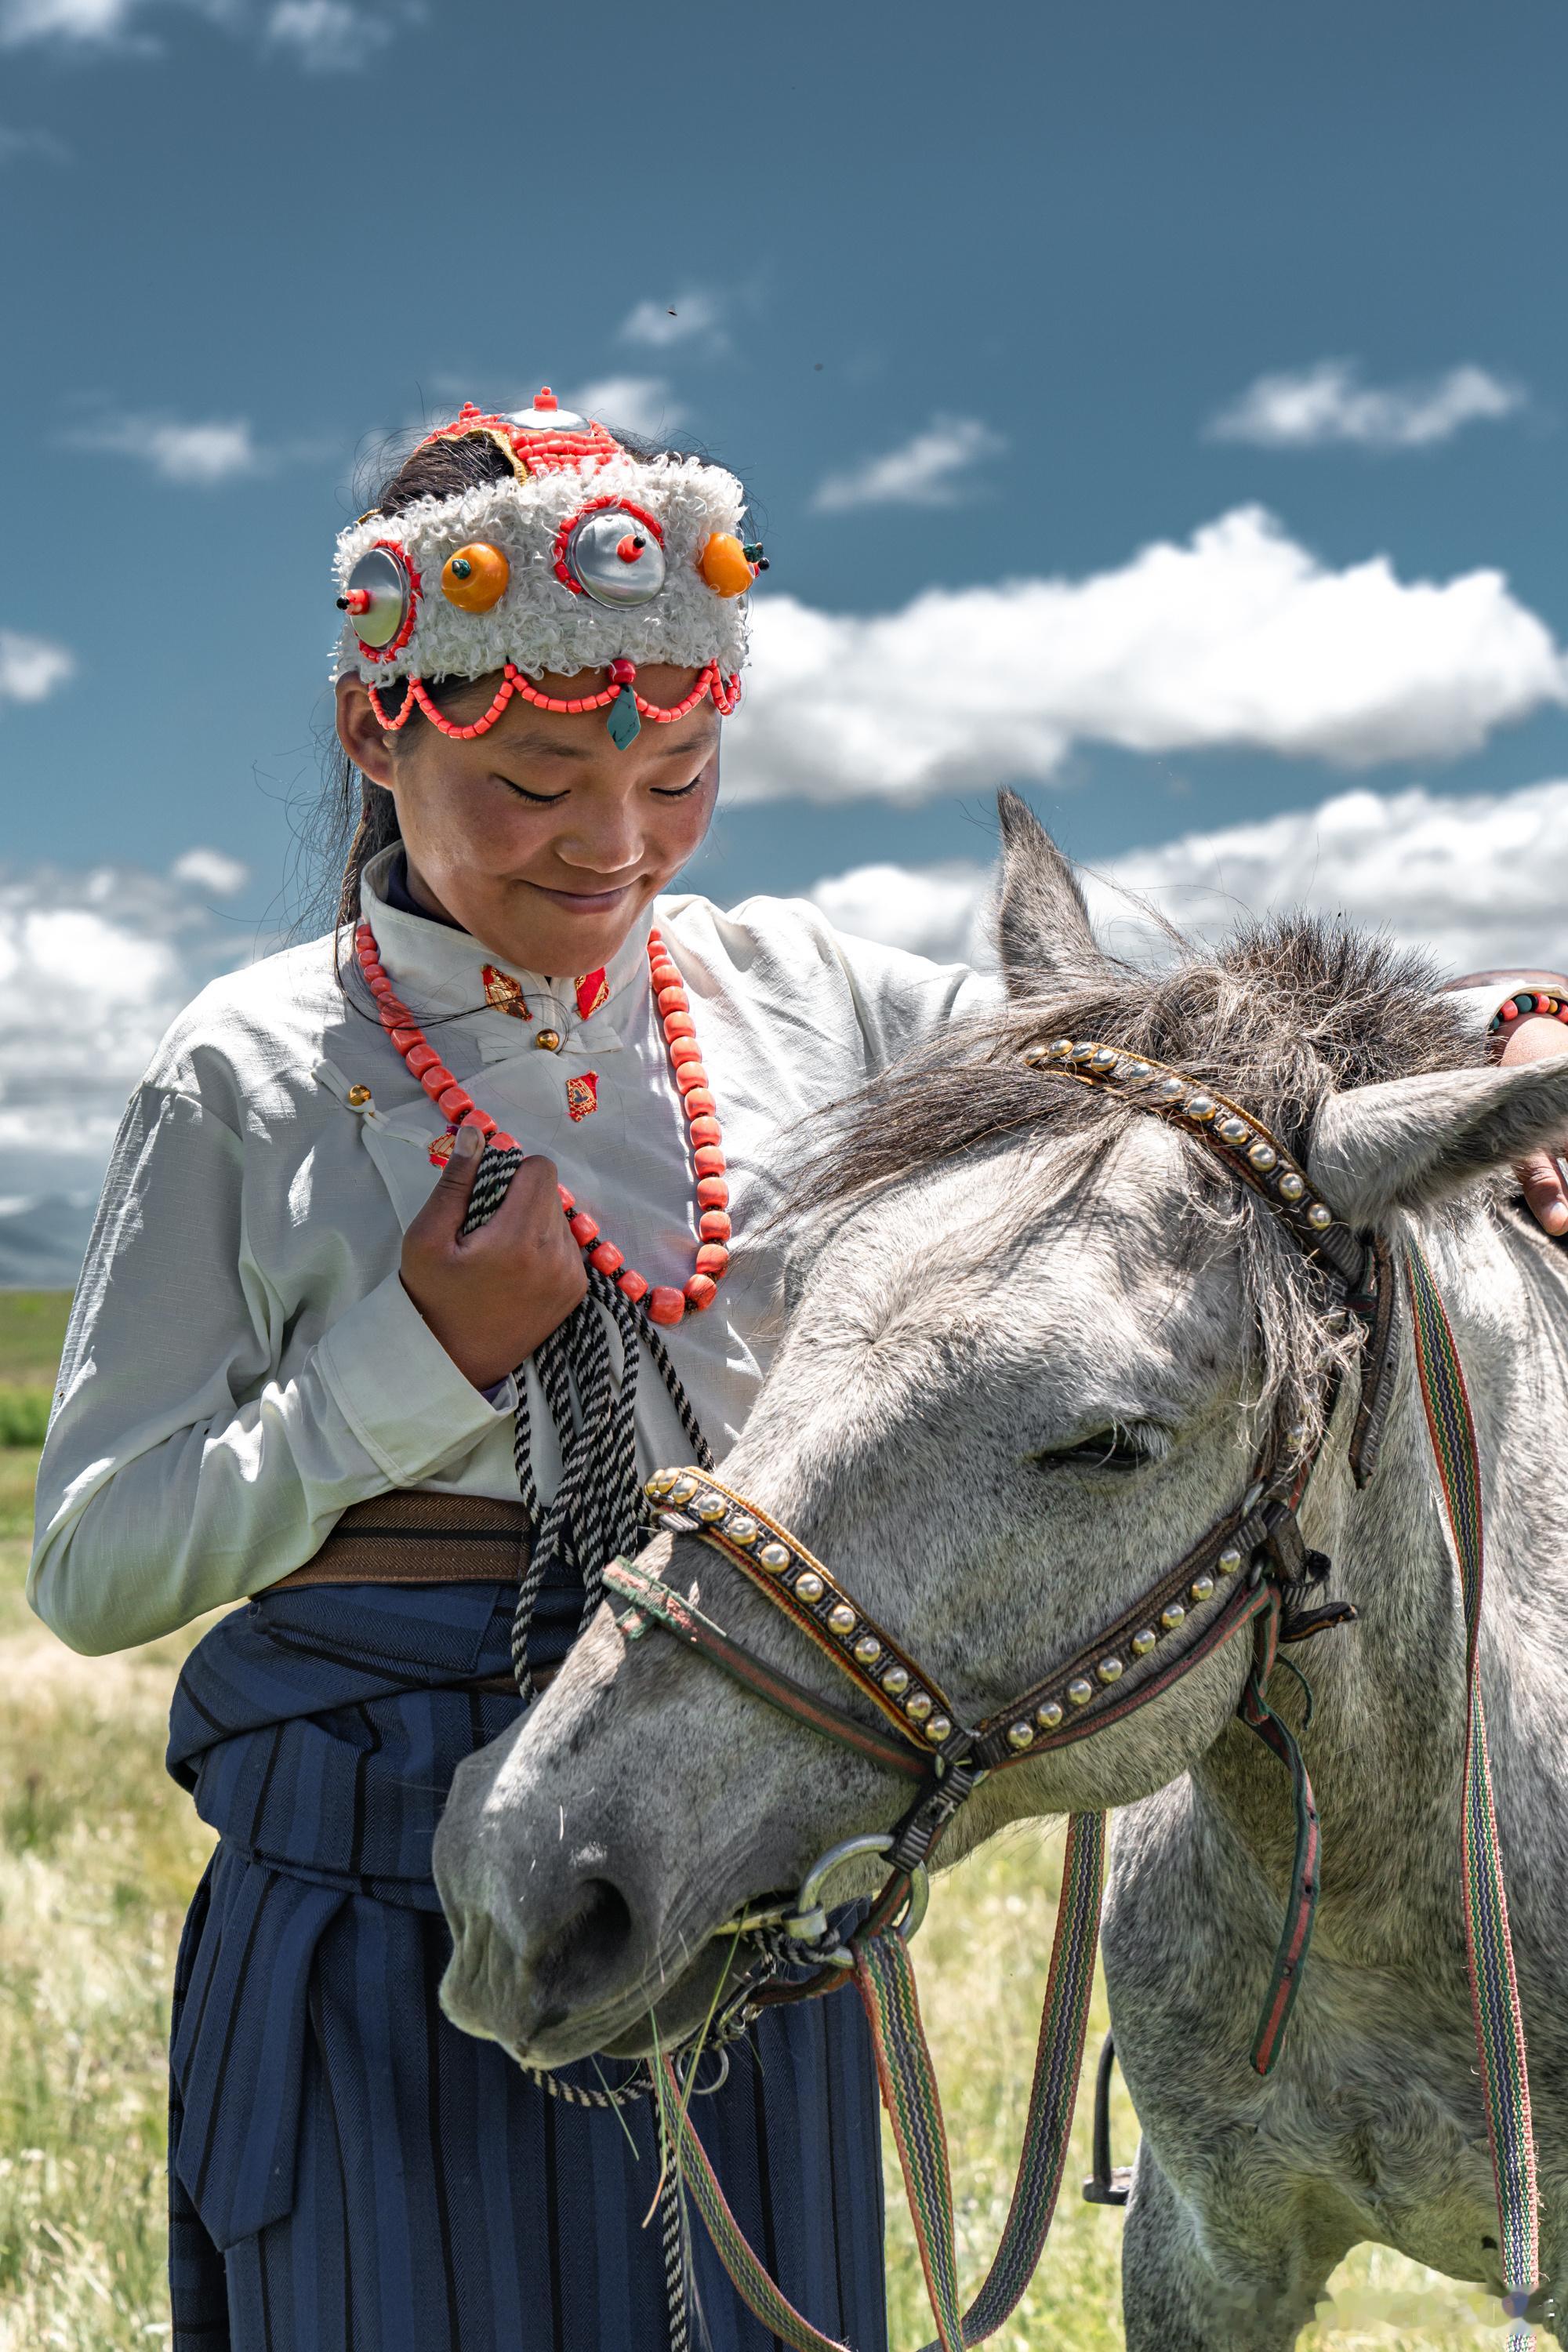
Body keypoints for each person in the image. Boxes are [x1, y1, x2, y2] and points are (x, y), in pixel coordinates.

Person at [27, 390, 1568, 2352]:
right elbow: (90, 1564)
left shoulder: (802, 995)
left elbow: (1177, 1082)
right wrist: (410, 1363)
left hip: (758, 1784)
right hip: (378, 1840)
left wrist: (1493, 1035)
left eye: (672, 774)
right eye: (540, 784)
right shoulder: (245, 1069)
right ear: (375, 730)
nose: (615, 847)